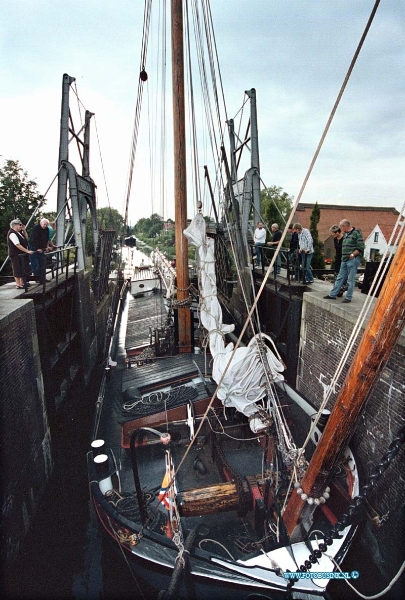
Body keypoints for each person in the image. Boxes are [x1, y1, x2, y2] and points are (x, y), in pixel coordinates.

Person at [324, 219, 364, 303]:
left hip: (352, 259)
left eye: (341, 227)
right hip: (344, 259)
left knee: (350, 279)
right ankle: (333, 294)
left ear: (345, 226)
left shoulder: (356, 233)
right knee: (339, 277)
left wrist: (353, 254)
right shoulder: (345, 235)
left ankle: (348, 297)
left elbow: (361, 247)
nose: (341, 229)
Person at [7, 219, 35, 288]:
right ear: (15, 225)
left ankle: (22, 283)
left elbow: (26, 238)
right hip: (16, 254)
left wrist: (24, 230)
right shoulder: (12, 233)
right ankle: (18, 284)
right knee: (17, 268)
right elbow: (17, 245)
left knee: (23, 268)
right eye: (20, 225)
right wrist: (27, 251)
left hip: (21, 254)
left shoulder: (19, 232)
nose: (21, 226)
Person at [29, 218, 50, 284]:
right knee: (35, 263)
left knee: (42, 262)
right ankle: (37, 278)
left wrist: (46, 247)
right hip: (33, 247)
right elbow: (34, 239)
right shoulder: (36, 228)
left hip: (41, 247)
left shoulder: (47, 229)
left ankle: (43, 278)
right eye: (44, 224)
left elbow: (46, 238)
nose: (45, 226)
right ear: (41, 223)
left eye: (46, 225)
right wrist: (38, 248)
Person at [329, 224, 346, 297]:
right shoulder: (335, 239)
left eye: (333, 233)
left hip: (343, 257)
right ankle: (336, 289)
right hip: (338, 257)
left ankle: (341, 289)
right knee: (336, 273)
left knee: (342, 274)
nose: (332, 235)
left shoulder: (344, 239)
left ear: (337, 232)